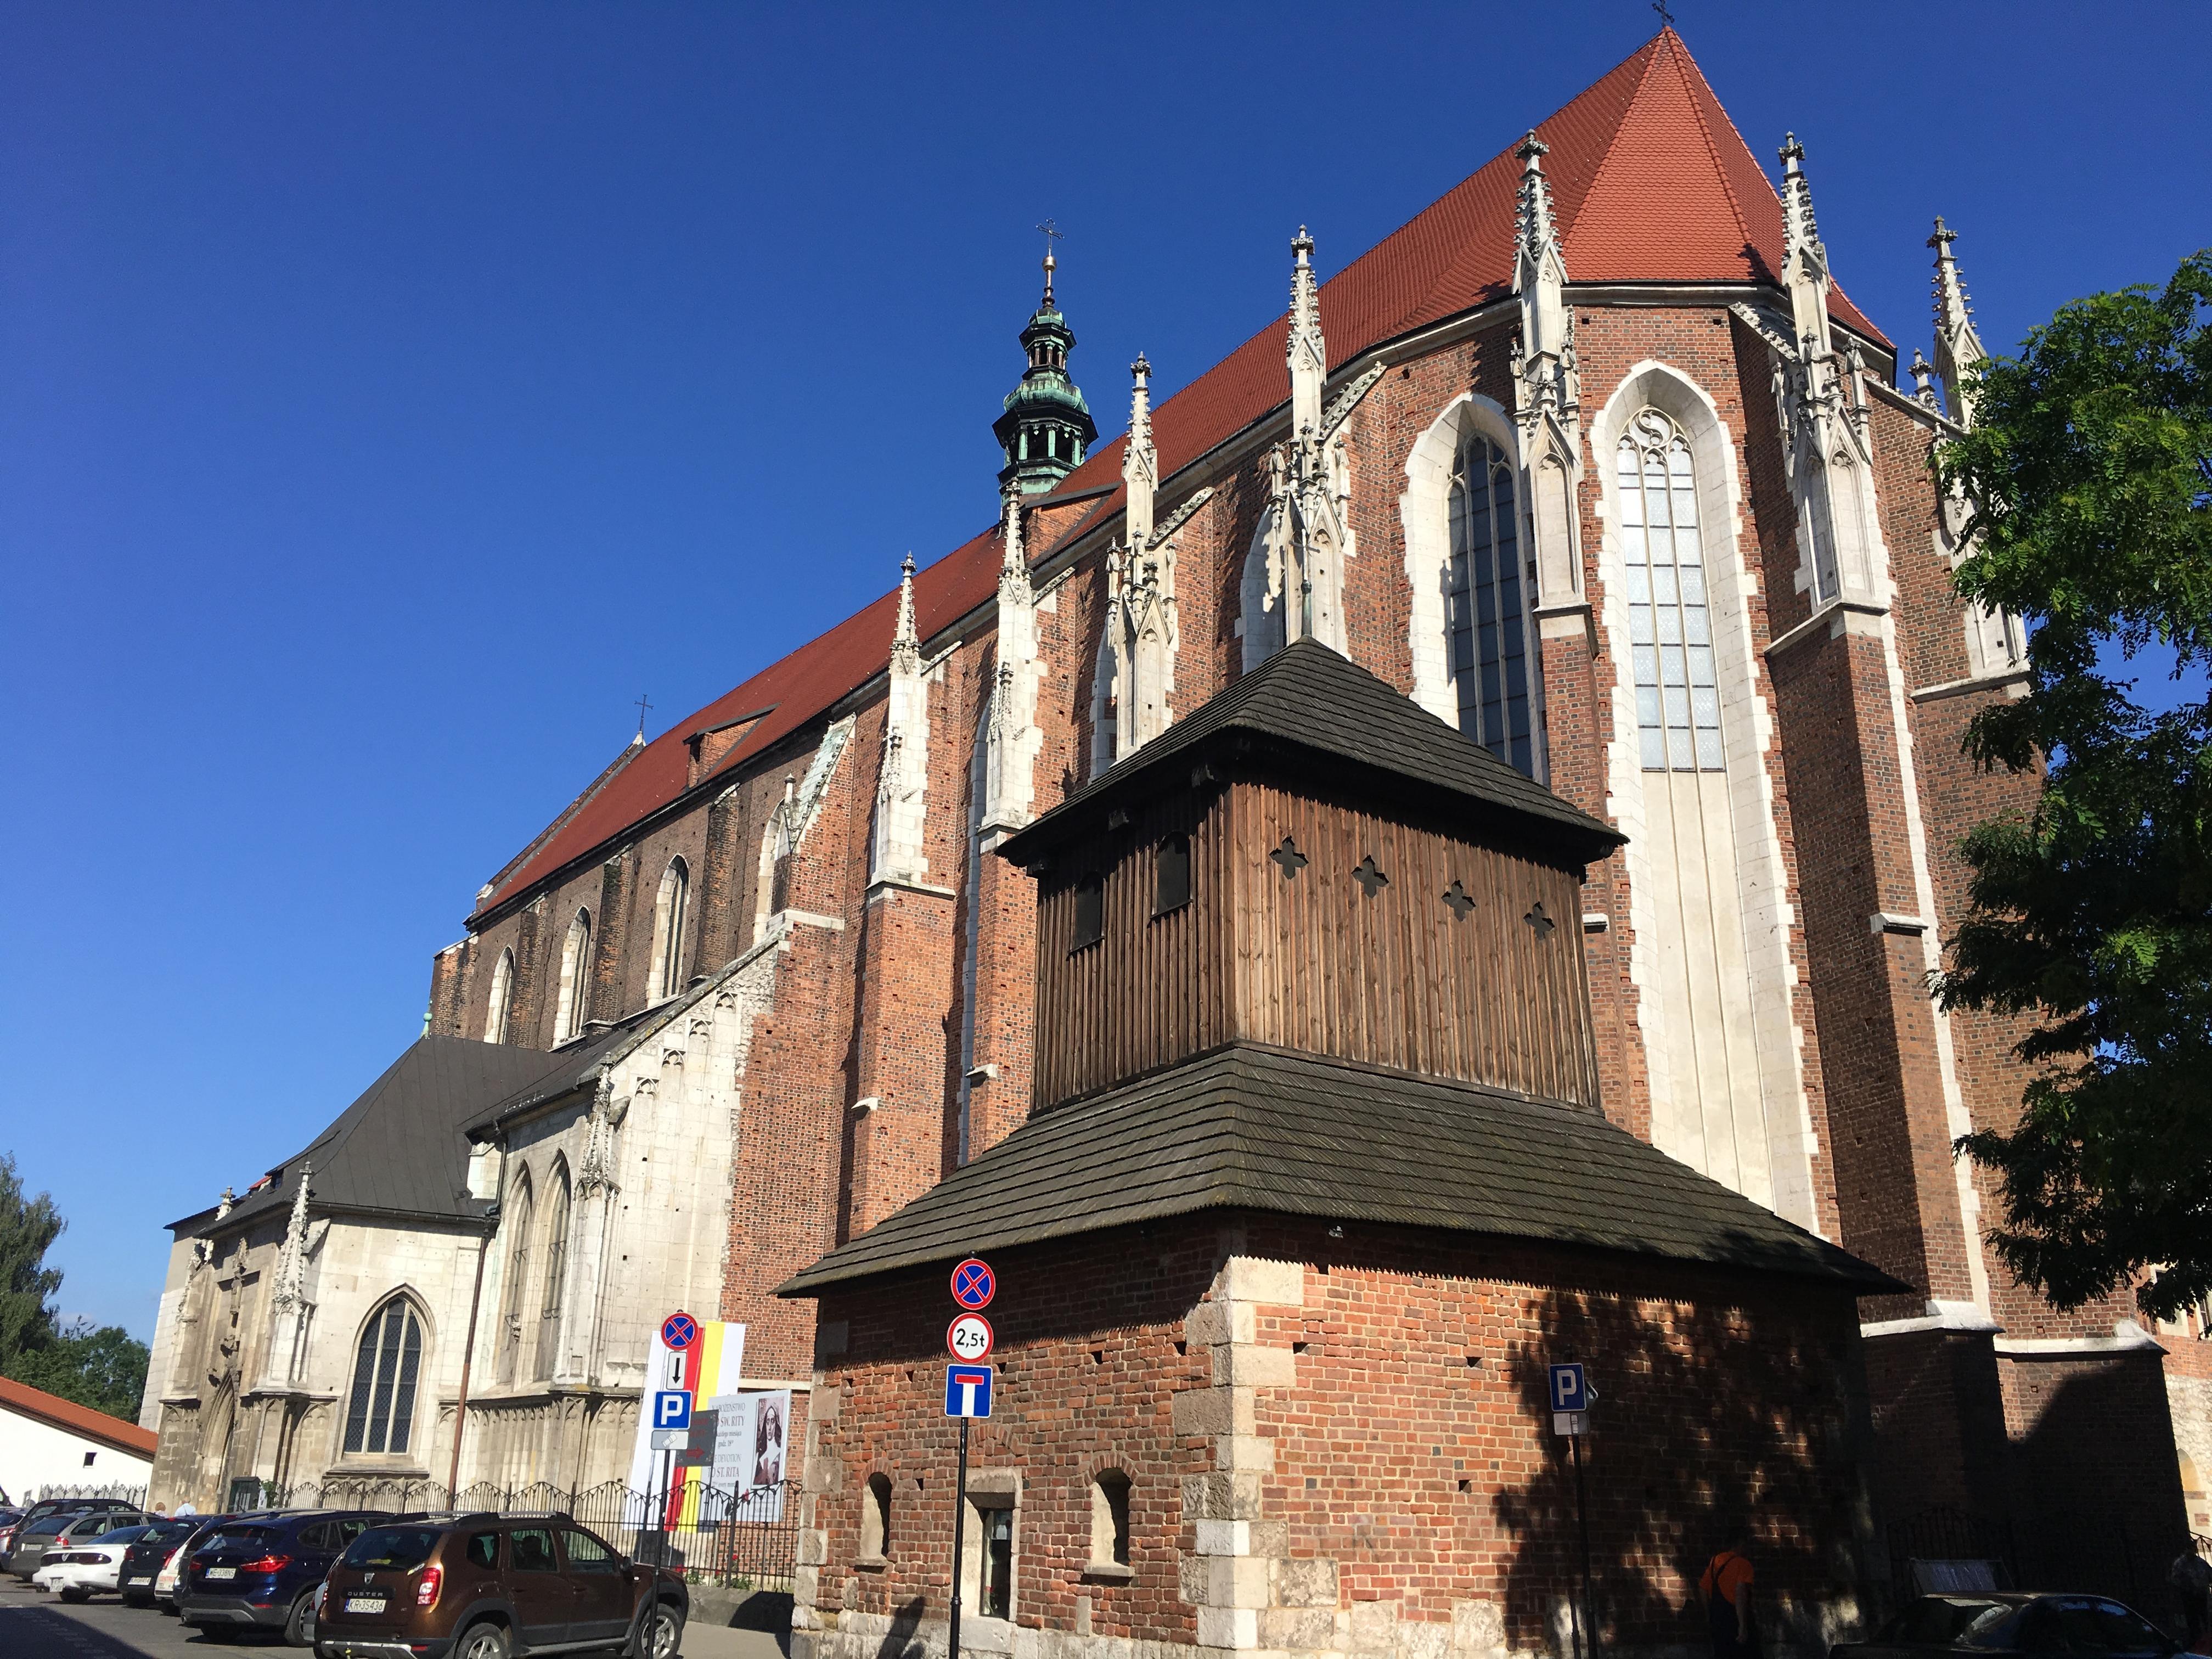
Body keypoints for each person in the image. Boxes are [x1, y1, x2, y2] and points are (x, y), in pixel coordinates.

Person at [1699, 1524, 1757, 1659]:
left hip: (1718, 1619)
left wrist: (1708, 1614)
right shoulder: (1743, 1564)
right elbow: (1740, 1594)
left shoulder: (1716, 1561)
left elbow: (1702, 1588)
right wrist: (1743, 1626)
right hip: (1734, 1619)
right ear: (1741, 1543)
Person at [2171, 1546, 2210, 1655]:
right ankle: (2195, 1640)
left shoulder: (2201, 1562)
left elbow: (2209, 1574)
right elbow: (2175, 1579)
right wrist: (2187, 1586)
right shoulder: (2180, 1563)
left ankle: (2206, 1637)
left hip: (2201, 1594)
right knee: (2192, 1619)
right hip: (2189, 1595)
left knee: (2204, 1616)